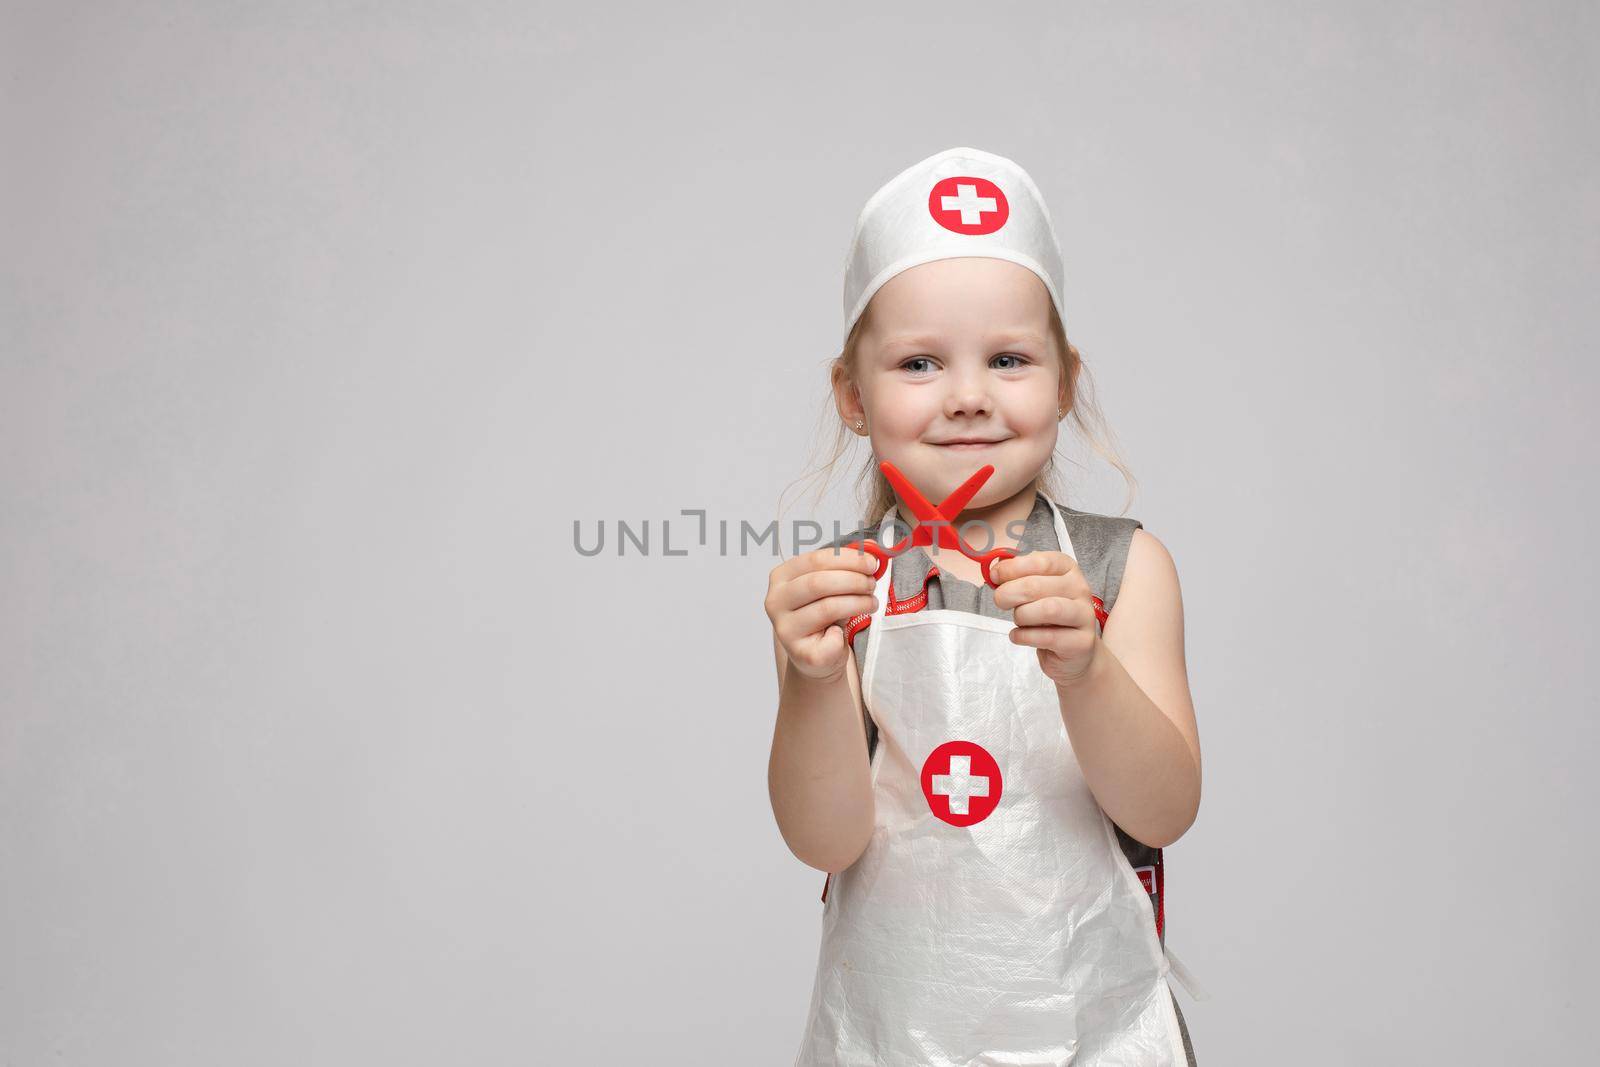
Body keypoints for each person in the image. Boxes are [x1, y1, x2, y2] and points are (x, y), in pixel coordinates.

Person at [765, 147, 1205, 1065]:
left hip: (1095, 1029)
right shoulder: (841, 588)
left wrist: (1087, 671)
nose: (968, 397)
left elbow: (1161, 812)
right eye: (920, 363)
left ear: (1065, 383)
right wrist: (810, 681)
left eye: (1008, 359)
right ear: (853, 394)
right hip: (890, 1034)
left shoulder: (1124, 568)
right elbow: (826, 840)